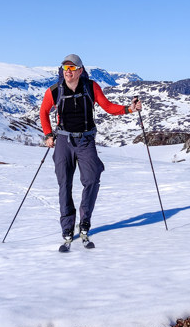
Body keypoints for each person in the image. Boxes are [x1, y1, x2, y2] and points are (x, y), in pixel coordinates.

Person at [40, 54, 142, 251]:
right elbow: (43, 112)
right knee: (64, 183)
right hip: (63, 141)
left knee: (92, 178)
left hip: (86, 140)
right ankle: (67, 227)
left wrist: (129, 109)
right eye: (65, 68)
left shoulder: (91, 87)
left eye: (72, 68)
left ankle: (84, 222)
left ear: (80, 70)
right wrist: (48, 135)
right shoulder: (54, 91)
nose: (67, 72)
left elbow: (108, 107)